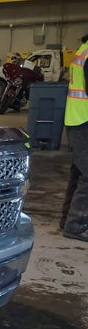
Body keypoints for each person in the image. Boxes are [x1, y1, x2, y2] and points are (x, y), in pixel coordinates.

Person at [61, 28, 88, 242]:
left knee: (79, 172)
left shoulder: (83, 50)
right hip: (84, 121)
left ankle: (67, 220)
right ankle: (76, 226)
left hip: (77, 120)